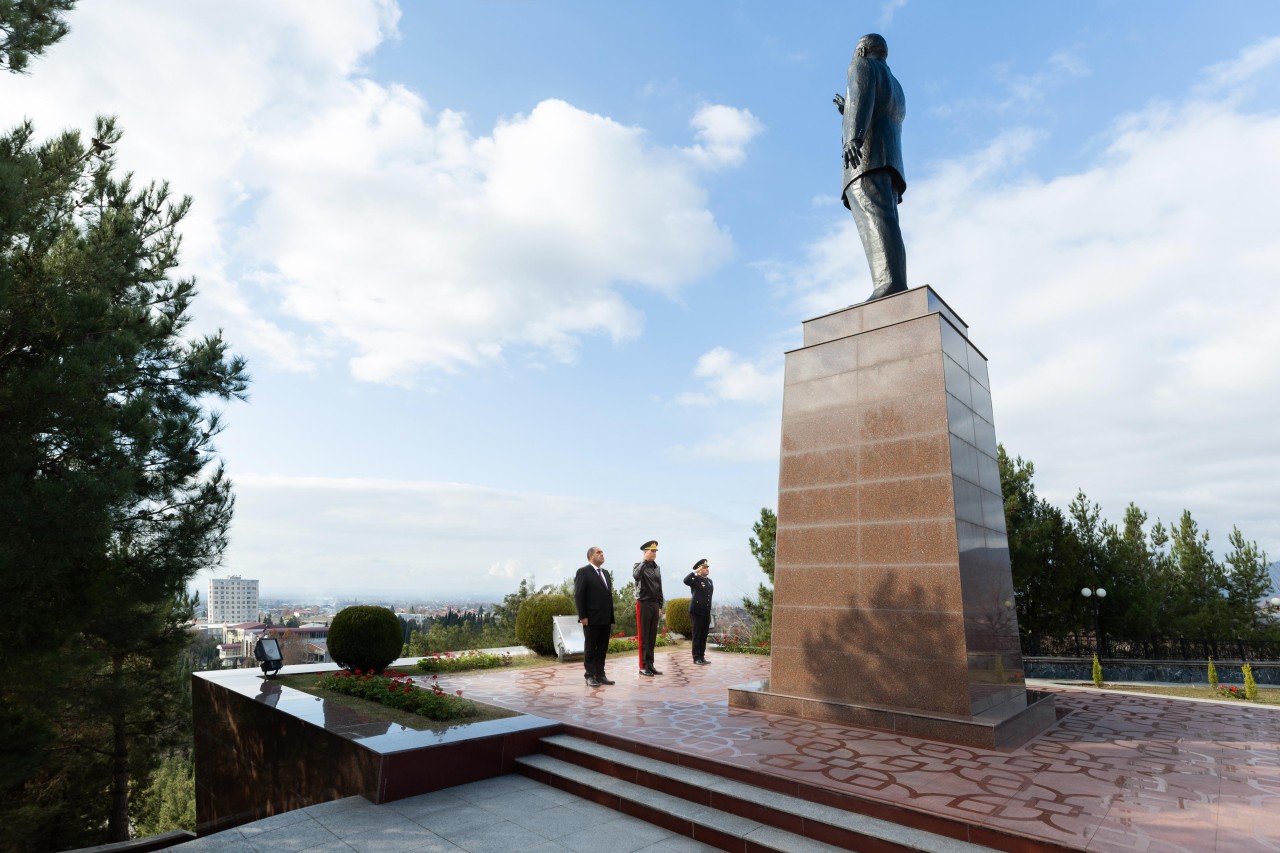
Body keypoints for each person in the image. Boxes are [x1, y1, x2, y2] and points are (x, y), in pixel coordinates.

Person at [833, 33, 907, 302]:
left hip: (867, 158)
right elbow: (875, 108)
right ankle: (894, 282)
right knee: (887, 220)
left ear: (862, 50)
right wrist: (848, 110)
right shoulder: (896, 85)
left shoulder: (861, 66)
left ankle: (889, 283)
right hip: (890, 162)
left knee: (874, 217)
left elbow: (862, 97)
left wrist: (853, 136)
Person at [574, 546, 615, 687]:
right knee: (591, 648)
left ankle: (600, 674)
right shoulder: (583, 572)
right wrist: (582, 616)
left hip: (605, 617)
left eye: (602, 552)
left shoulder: (606, 573)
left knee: (603, 648)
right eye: (599, 552)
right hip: (591, 618)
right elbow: (579, 595)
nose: (602, 554)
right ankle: (590, 675)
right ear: (591, 556)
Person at [632, 540, 664, 677]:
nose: (655, 553)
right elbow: (636, 576)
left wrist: (660, 605)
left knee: (651, 638)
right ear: (645, 552)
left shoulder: (657, 568)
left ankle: (650, 665)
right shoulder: (639, 566)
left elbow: (659, 587)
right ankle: (643, 666)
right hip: (643, 604)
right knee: (644, 637)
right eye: (652, 551)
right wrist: (644, 562)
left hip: (654, 604)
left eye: (656, 551)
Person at [683, 559, 714, 666]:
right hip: (696, 611)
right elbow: (685, 581)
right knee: (697, 634)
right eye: (704, 567)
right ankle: (696, 658)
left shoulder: (709, 581)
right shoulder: (694, 579)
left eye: (707, 567)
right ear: (700, 569)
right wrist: (695, 572)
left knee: (704, 635)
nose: (707, 569)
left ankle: (702, 656)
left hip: (705, 611)